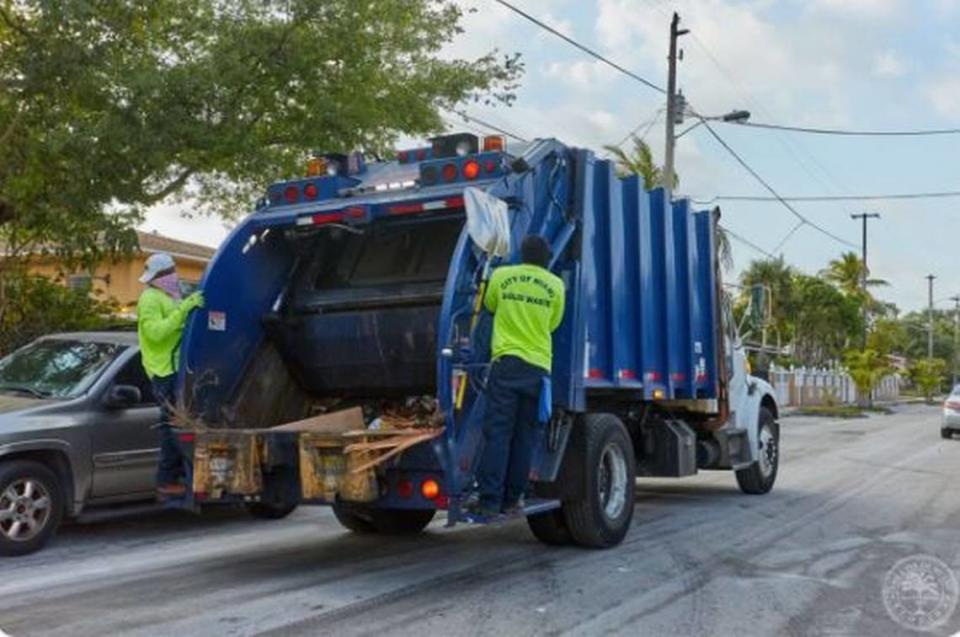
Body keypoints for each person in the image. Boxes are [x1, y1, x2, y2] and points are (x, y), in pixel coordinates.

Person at [469, 235, 565, 517]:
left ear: (522, 255)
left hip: (507, 364)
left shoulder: (502, 276)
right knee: (525, 436)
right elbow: (553, 323)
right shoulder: (556, 286)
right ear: (546, 259)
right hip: (537, 369)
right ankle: (514, 498)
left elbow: (489, 305)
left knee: (498, 433)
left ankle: (489, 500)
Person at [137, 252, 205, 496]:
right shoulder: (150, 299)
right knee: (170, 426)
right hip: (163, 370)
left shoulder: (169, 295)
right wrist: (184, 310)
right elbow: (156, 333)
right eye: (168, 273)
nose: (172, 276)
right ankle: (166, 480)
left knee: (180, 424)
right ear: (160, 276)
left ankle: (180, 476)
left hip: (174, 367)